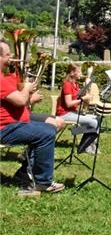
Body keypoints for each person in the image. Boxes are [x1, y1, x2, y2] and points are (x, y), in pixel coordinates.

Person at [0, 40, 64, 194]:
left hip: (12, 123)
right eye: (8, 55)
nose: (12, 58)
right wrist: (27, 89)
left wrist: (26, 91)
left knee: (47, 129)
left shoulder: (3, 76)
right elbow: (21, 101)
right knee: (46, 132)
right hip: (5, 128)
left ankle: (28, 174)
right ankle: (42, 182)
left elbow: (19, 102)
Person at [56, 63, 99, 154]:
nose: (81, 74)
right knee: (93, 122)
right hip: (64, 114)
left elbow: (80, 101)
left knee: (97, 119)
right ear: (72, 73)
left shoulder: (76, 85)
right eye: (79, 72)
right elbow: (68, 104)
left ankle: (91, 143)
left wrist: (87, 98)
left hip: (72, 112)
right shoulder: (67, 85)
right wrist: (83, 99)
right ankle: (85, 145)